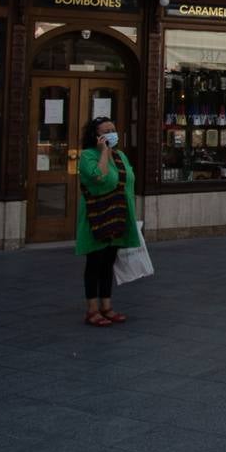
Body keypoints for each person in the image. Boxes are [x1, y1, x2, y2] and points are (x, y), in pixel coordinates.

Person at [76, 116, 141, 327]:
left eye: (113, 129)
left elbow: (128, 183)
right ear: (96, 137)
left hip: (118, 216)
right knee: (94, 263)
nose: (112, 133)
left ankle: (107, 306)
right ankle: (92, 309)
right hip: (98, 217)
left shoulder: (121, 155)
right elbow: (99, 177)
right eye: (106, 131)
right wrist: (104, 152)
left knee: (108, 263)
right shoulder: (87, 156)